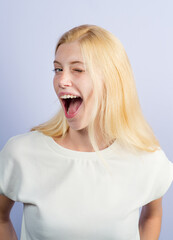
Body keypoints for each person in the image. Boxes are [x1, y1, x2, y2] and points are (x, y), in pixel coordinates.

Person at [0, 24, 173, 240]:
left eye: (78, 70)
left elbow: (151, 216)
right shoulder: (21, 152)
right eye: (58, 69)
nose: (62, 80)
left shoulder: (146, 158)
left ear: (111, 80)